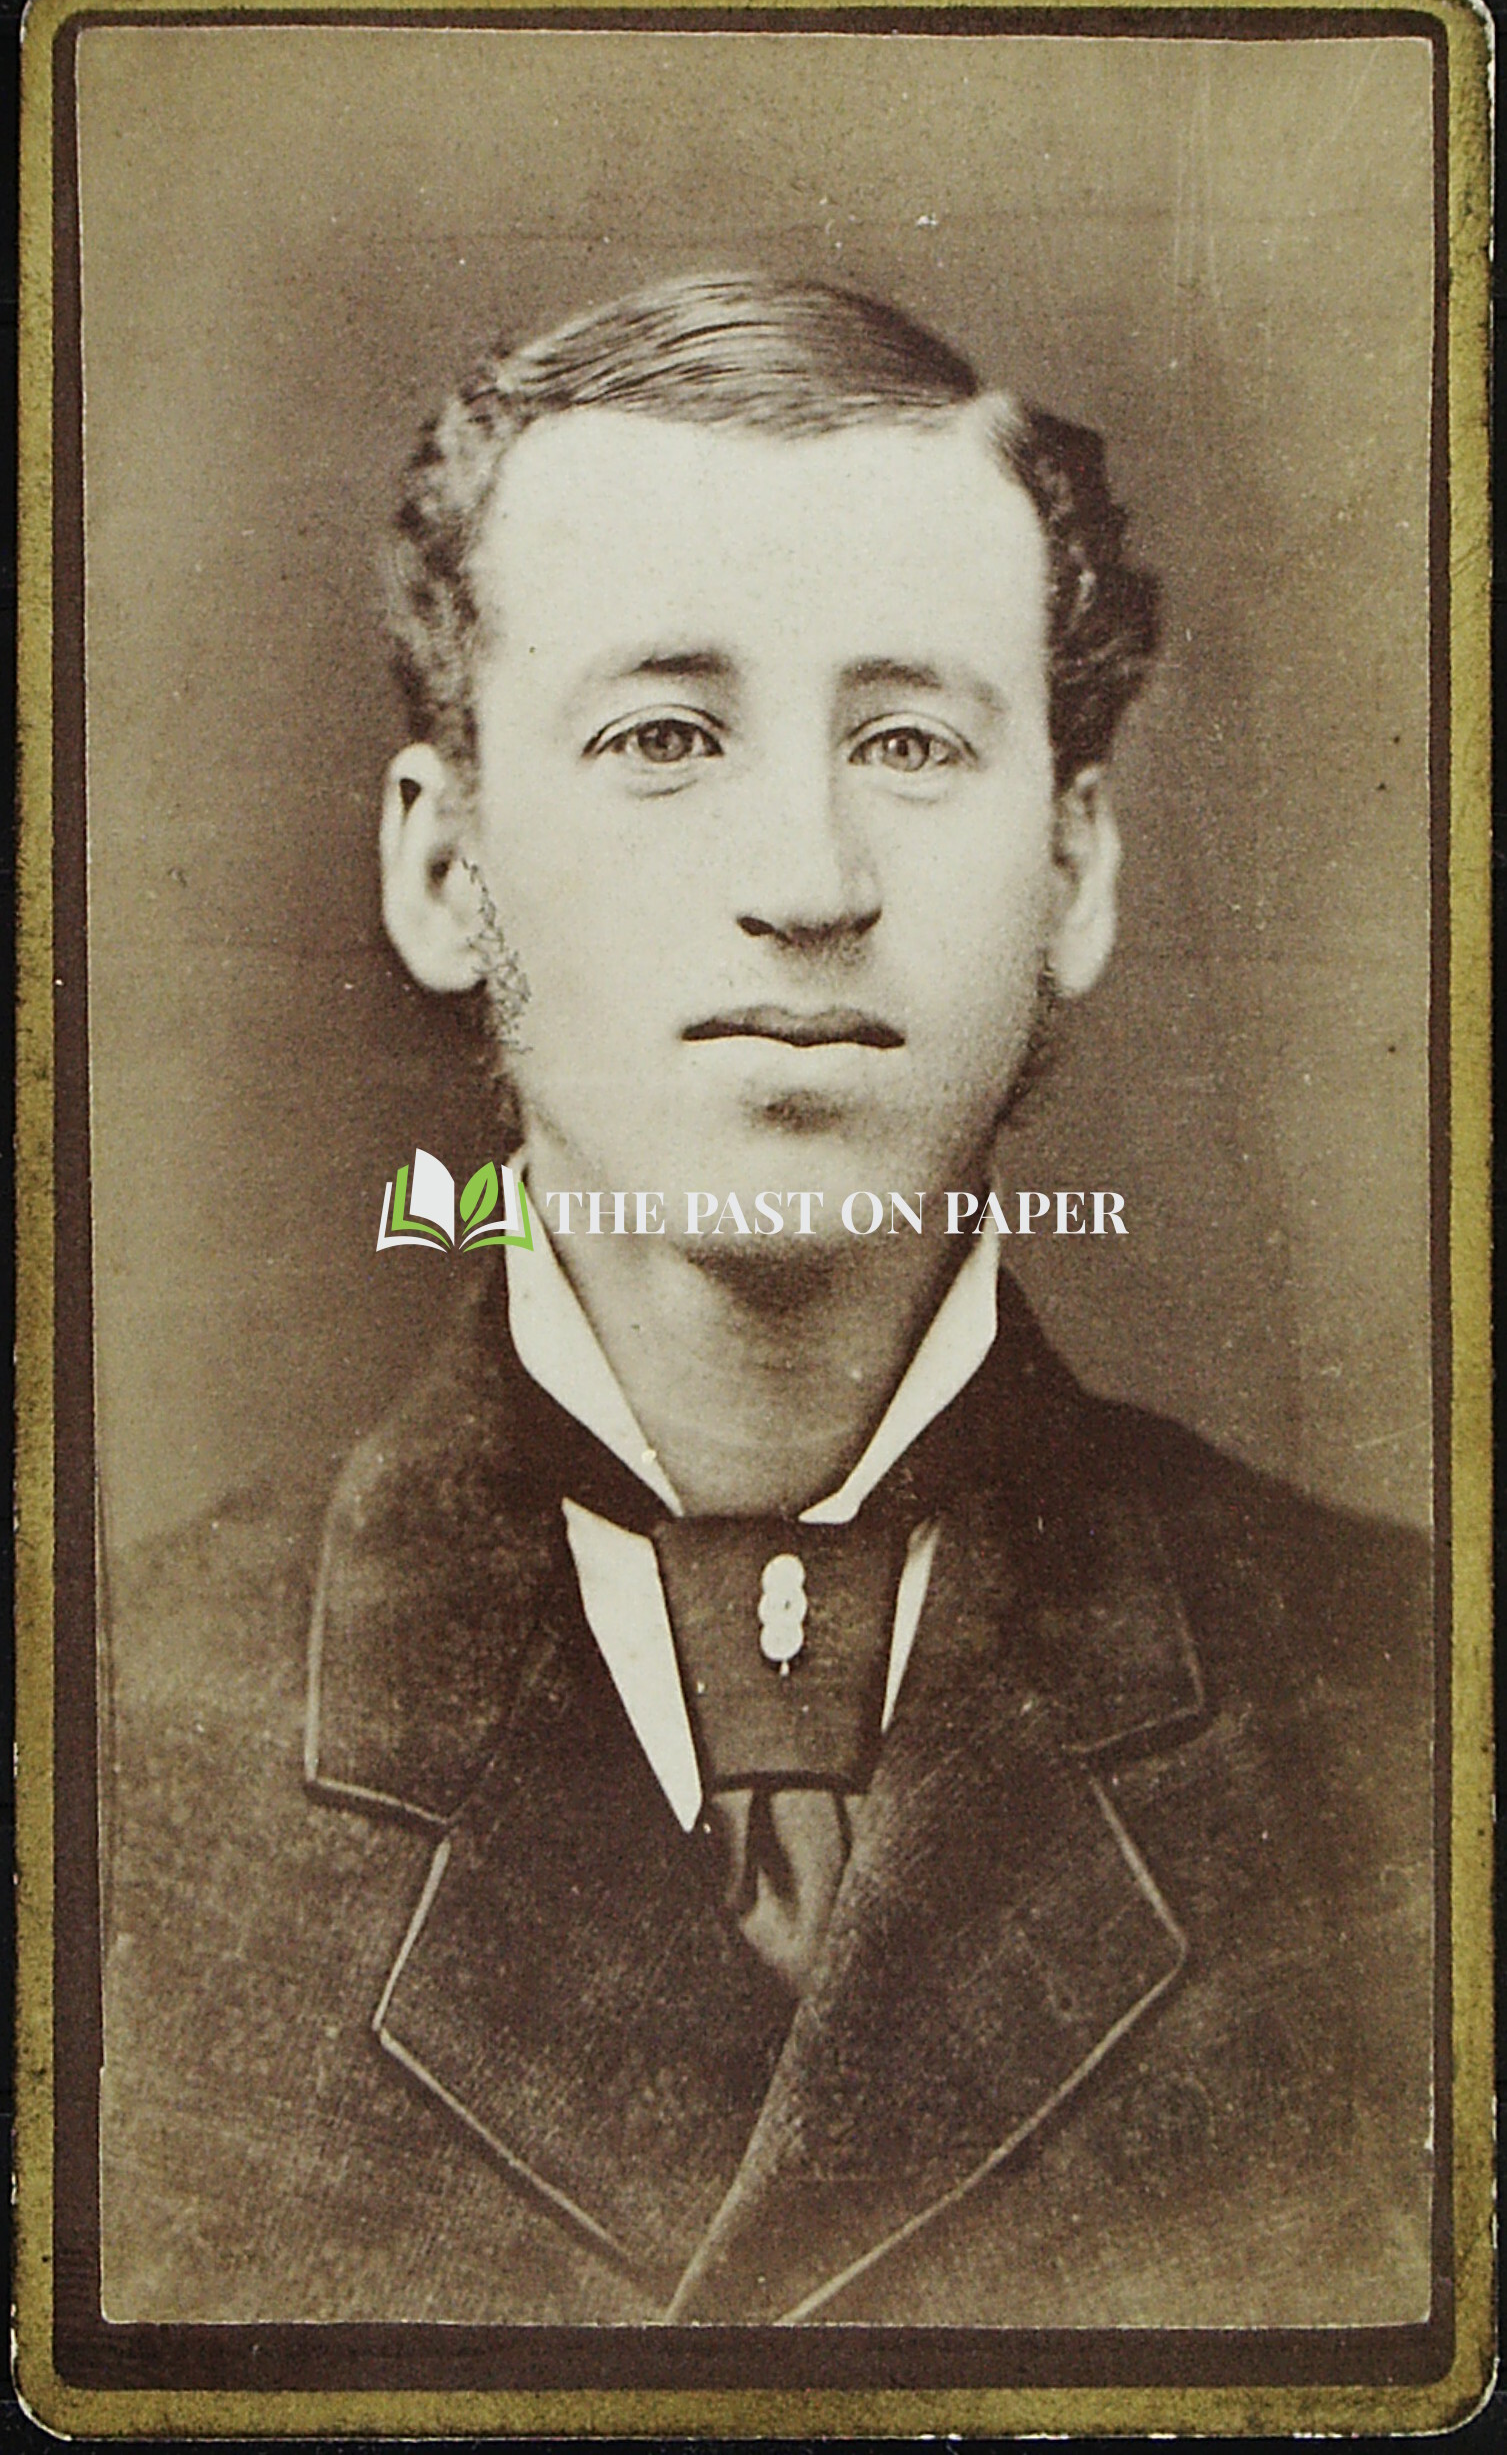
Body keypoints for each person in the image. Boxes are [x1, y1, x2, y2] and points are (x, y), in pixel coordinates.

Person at [100, 274, 1432, 2328]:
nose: (806, 878)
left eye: (908, 737)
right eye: (663, 735)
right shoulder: (104, 1749)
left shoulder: (1409, 1717)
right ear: (443, 870)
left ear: (1074, 866)